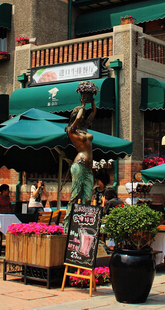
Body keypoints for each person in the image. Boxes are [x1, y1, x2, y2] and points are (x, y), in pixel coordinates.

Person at [64, 97, 96, 234]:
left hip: (88, 167)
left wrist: (92, 100)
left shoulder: (84, 129)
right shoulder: (71, 131)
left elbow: (93, 112)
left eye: (83, 116)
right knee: (76, 194)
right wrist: (82, 106)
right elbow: (77, 119)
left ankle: (81, 224)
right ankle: (68, 224)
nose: (83, 118)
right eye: (81, 115)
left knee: (88, 198)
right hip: (79, 164)